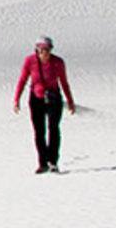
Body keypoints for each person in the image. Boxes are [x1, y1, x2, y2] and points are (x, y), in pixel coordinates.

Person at [13, 36, 75, 173]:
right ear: (36, 49)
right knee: (39, 131)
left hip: (53, 98)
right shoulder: (30, 61)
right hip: (36, 98)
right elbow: (22, 80)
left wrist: (70, 101)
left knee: (53, 128)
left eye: (47, 49)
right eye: (41, 49)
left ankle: (53, 161)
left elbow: (64, 83)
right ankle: (42, 163)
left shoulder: (58, 62)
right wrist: (16, 99)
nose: (44, 53)